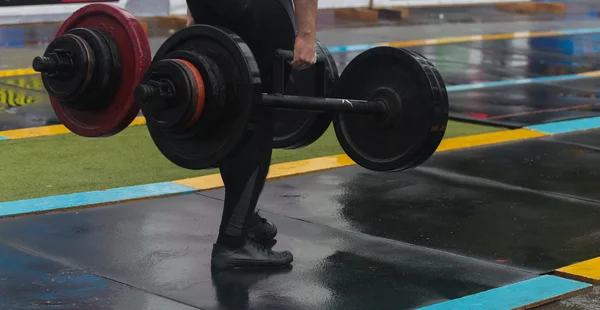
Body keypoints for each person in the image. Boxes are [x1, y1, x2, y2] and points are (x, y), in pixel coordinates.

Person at [185, 0, 318, 269]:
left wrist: (195, 17)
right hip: (255, 10)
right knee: (257, 116)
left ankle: (243, 219)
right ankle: (232, 241)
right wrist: (306, 35)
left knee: (231, 107)